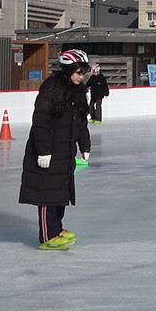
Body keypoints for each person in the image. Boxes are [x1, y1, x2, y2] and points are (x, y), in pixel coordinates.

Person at [18, 49, 93, 250]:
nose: (81, 76)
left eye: (83, 72)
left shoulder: (78, 91)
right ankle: (47, 237)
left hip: (64, 151)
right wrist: (43, 150)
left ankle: (57, 229)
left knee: (60, 193)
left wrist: (84, 145)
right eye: (78, 71)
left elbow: (81, 122)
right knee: (47, 195)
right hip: (47, 151)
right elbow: (40, 122)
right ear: (68, 70)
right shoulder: (52, 89)